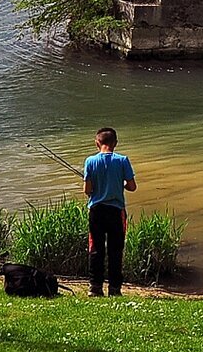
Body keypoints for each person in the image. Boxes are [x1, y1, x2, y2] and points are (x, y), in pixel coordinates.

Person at [82, 126, 136, 296]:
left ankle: (95, 288)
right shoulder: (122, 160)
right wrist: (122, 184)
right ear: (116, 143)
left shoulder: (90, 161)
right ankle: (114, 289)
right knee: (115, 250)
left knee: (96, 249)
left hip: (96, 211)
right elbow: (132, 186)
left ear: (97, 143)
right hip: (116, 211)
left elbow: (87, 190)